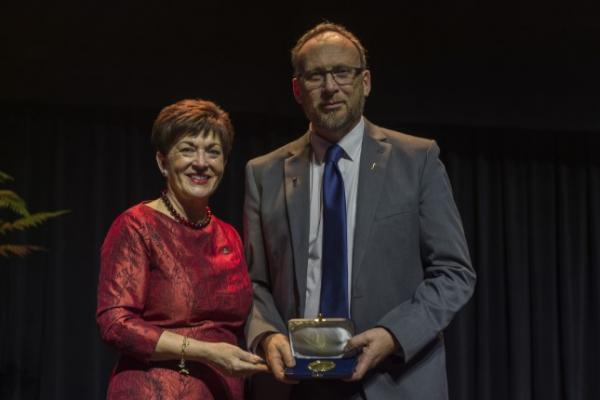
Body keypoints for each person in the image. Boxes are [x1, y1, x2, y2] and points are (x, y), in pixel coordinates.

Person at [243, 22, 476, 399]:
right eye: (316, 75)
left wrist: (393, 335)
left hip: (395, 378)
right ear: (297, 90)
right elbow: (254, 283)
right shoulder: (263, 173)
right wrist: (267, 335)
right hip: (297, 384)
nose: (330, 86)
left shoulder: (417, 160)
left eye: (342, 72)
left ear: (365, 82)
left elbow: (454, 273)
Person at [97, 99, 268, 399]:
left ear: (224, 164)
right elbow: (115, 324)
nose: (201, 162)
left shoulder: (230, 236)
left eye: (213, 152)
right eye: (188, 149)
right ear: (163, 162)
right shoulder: (136, 226)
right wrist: (205, 353)